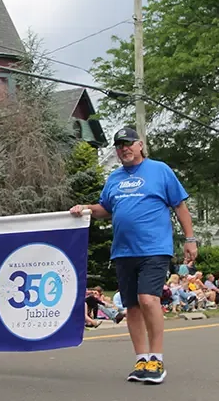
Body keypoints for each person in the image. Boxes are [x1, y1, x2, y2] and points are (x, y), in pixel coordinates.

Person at [69, 127, 196, 385]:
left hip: (154, 248)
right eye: (119, 145)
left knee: (148, 299)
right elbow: (105, 208)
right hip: (123, 251)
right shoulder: (115, 178)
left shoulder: (160, 170)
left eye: (128, 144)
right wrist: (85, 208)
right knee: (132, 307)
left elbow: (180, 205)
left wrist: (190, 239)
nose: (123, 149)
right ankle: (141, 360)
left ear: (139, 145)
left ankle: (156, 359)